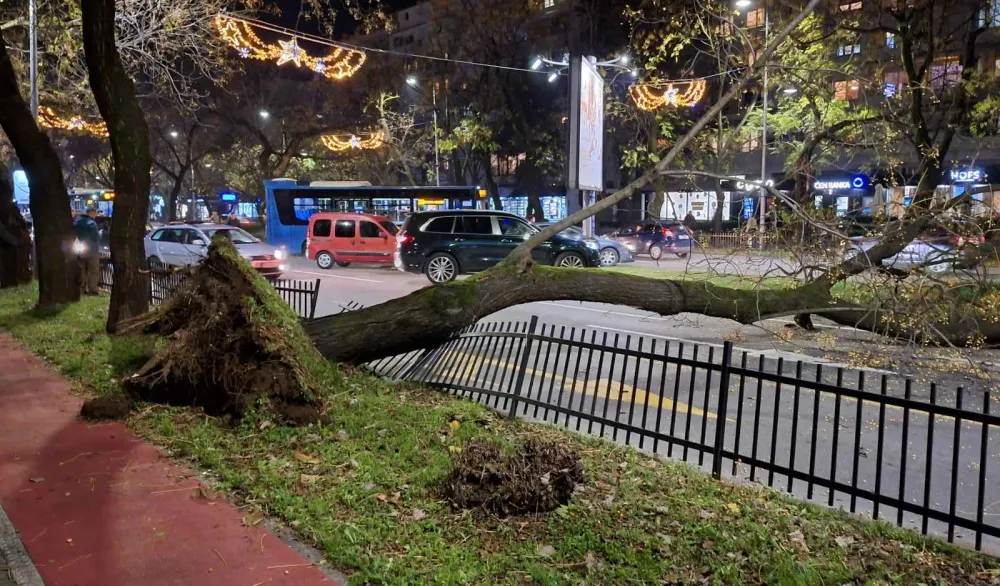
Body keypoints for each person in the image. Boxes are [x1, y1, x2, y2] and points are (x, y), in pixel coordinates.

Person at [73, 207, 100, 295]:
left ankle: (81, 289)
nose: (95, 215)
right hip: (92, 250)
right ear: (92, 213)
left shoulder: (76, 222)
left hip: (80, 250)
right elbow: (96, 237)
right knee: (93, 270)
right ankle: (93, 289)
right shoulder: (92, 223)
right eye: (95, 213)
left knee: (82, 270)